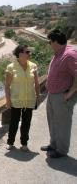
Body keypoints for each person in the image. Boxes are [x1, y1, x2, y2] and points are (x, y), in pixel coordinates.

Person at [41, 29, 77, 158]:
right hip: (52, 94)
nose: (49, 44)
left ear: (56, 42)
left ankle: (61, 150)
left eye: (50, 42)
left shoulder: (69, 55)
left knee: (63, 123)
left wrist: (69, 93)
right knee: (52, 121)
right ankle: (53, 144)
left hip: (62, 95)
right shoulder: (58, 53)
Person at [5, 45, 40, 151]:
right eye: (27, 52)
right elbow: (7, 85)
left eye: (29, 52)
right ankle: (10, 142)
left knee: (26, 123)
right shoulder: (11, 67)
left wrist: (38, 96)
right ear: (20, 53)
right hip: (16, 99)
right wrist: (8, 100)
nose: (29, 54)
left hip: (29, 99)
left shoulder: (33, 66)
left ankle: (24, 143)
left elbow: (37, 83)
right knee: (14, 122)